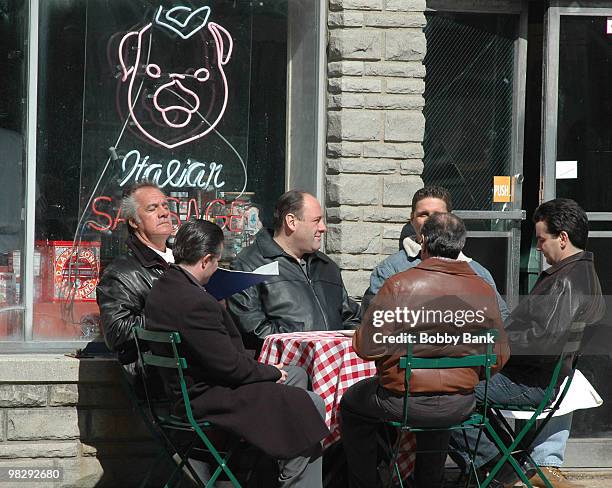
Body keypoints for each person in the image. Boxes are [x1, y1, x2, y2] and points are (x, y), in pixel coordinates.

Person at [144, 219, 329, 488]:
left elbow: (219, 357)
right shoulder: (196, 303)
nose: (218, 268)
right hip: (208, 397)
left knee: (297, 376)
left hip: (193, 388)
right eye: (218, 261)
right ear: (206, 260)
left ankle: (266, 471)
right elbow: (230, 367)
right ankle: (295, 481)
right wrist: (272, 371)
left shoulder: (164, 288)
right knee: (310, 404)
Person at [340, 212, 510, 488]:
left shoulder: (398, 285)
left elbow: (366, 348)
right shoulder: (483, 289)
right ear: (461, 245)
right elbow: (499, 358)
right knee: (439, 409)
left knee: (351, 404)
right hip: (461, 403)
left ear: (422, 242)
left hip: (403, 401)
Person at [451, 198, 605, 487]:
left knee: (441, 392)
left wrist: (489, 345)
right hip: (535, 378)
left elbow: (543, 345)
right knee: (446, 386)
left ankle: (502, 469)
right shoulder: (578, 274)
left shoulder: (568, 280)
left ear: (562, 238)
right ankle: (510, 465)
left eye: (541, 239)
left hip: (530, 382)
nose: (537, 247)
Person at [228, 190, 360, 348]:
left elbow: (351, 318)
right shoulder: (248, 264)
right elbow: (250, 328)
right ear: (291, 222)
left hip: (333, 367)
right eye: (316, 220)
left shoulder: (327, 266)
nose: (323, 228)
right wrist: (301, 342)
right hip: (282, 369)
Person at [365, 186, 509, 319]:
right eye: (424, 214)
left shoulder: (479, 273)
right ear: (412, 219)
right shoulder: (390, 270)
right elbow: (376, 325)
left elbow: (502, 321)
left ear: (451, 219)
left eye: (438, 214)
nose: (431, 221)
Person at [97, 182, 174, 371]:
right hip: (161, 374)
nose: (164, 213)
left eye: (165, 206)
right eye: (152, 208)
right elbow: (117, 333)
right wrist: (173, 311)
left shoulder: (184, 260)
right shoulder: (121, 273)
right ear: (133, 221)